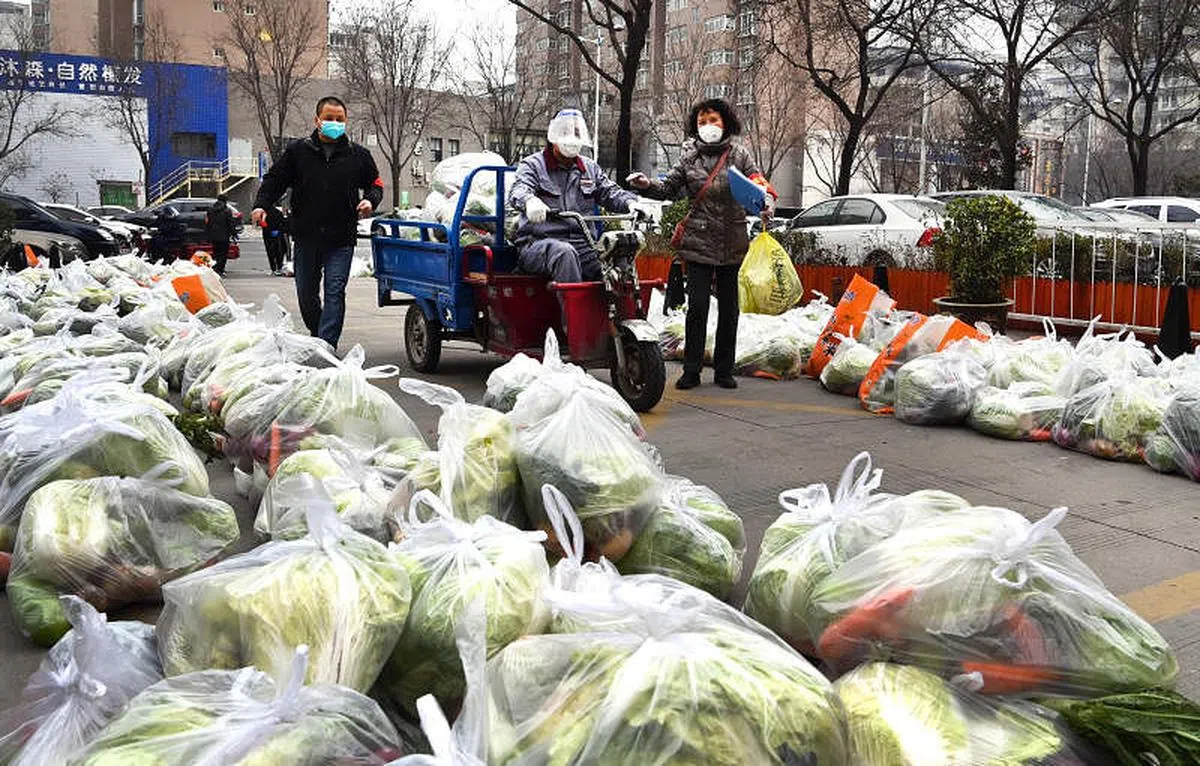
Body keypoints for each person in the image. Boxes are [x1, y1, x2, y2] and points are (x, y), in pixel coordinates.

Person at [628, 98, 776, 391]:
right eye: (702, 121)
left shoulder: (740, 154)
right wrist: (646, 184)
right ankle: (691, 371)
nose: (708, 126)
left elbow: (758, 182)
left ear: (726, 123)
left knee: (730, 310)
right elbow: (668, 187)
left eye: (714, 120)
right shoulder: (689, 158)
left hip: (732, 240)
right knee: (697, 307)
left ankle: (724, 370)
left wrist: (767, 199)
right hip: (697, 240)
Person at [252, 95, 383, 350]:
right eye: (329, 119)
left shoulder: (359, 155)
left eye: (340, 119)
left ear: (346, 121)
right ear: (317, 120)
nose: (334, 123)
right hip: (306, 235)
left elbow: (375, 185)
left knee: (335, 291)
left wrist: (370, 201)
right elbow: (274, 180)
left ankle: (326, 346)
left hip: (341, 238)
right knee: (306, 295)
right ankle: (318, 332)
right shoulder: (298, 152)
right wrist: (260, 204)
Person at [510, 108, 640, 286]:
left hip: (584, 245)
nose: (571, 138)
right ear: (553, 136)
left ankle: (623, 311)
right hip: (539, 244)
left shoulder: (589, 168)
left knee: (617, 257)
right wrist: (529, 201)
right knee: (565, 253)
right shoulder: (532, 165)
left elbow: (610, 192)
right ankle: (572, 313)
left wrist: (631, 203)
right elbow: (519, 189)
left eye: (576, 133)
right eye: (565, 132)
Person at [204, 194, 237, 276]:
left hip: (213, 236)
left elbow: (208, 223)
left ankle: (215, 268)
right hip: (224, 236)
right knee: (223, 254)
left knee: (216, 253)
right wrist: (234, 234)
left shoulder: (210, 210)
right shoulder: (227, 210)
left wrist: (208, 234)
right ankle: (221, 269)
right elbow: (230, 224)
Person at [260, 205, 290, 276]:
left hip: (269, 234)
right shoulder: (277, 212)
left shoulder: (264, 213)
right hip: (275, 234)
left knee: (271, 251)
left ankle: (274, 268)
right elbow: (282, 224)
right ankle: (278, 267)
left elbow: (263, 224)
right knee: (278, 251)